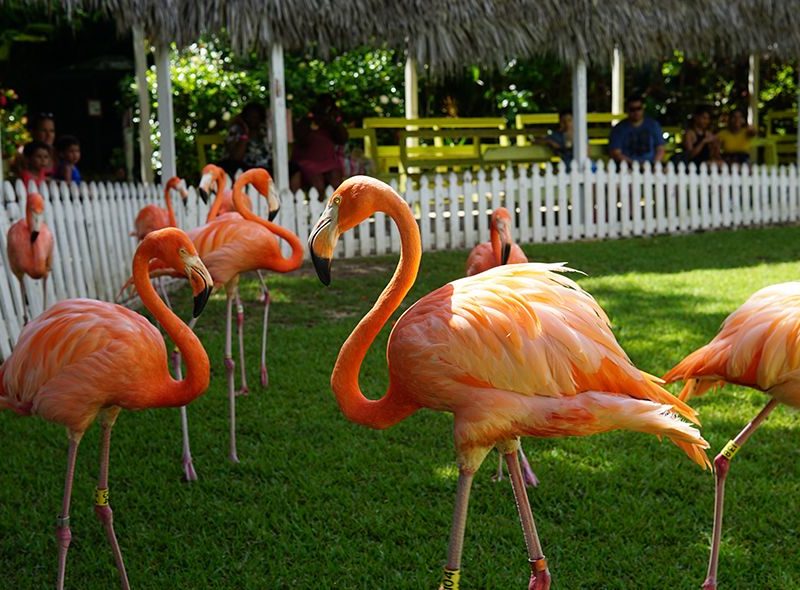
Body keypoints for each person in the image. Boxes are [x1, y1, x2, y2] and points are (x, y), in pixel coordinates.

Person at [292, 94, 348, 197]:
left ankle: (339, 209)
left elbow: (343, 139)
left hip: (329, 162)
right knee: (319, 185)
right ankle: (320, 209)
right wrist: (316, 123)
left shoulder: (332, 124)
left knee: (337, 184)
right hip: (308, 162)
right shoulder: (305, 122)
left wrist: (334, 123)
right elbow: (302, 140)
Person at [609, 95, 665, 166]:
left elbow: (660, 148)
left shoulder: (653, 125)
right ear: (627, 110)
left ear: (643, 109)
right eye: (632, 109)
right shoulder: (619, 129)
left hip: (651, 165)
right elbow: (616, 153)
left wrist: (654, 164)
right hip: (627, 166)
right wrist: (634, 164)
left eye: (639, 108)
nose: (636, 112)